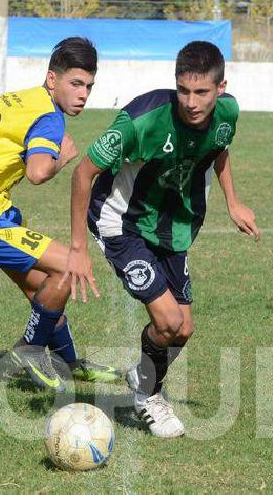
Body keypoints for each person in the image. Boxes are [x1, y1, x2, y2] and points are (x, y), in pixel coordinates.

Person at [63, 41, 260, 437]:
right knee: (168, 320)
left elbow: (219, 148)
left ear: (220, 88)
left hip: (174, 226)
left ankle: (142, 374)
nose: (191, 101)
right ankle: (149, 397)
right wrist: (77, 249)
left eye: (201, 92)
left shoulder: (228, 112)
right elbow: (82, 173)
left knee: (183, 329)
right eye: (183, 90)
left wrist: (233, 203)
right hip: (122, 223)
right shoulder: (142, 120)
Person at [0, 36, 120, 393]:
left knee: (44, 288)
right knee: (68, 265)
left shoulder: (11, 99)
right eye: (75, 84)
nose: (83, 94)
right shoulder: (49, 117)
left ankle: (67, 361)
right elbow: (37, 172)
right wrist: (61, 162)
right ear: (53, 80)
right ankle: (28, 349)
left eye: (89, 86)